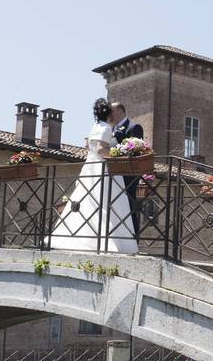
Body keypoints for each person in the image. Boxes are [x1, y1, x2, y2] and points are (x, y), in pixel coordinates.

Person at [49, 98, 138, 253]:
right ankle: (107, 241)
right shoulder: (106, 128)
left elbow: (91, 147)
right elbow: (100, 150)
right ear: (109, 114)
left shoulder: (94, 127)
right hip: (104, 168)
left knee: (90, 201)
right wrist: (117, 154)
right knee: (108, 202)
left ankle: (82, 237)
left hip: (91, 168)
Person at [110, 102, 144, 237]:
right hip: (113, 175)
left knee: (129, 206)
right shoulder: (110, 129)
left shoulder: (134, 127)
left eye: (111, 111)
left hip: (128, 176)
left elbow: (134, 151)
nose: (109, 114)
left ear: (119, 111)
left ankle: (133, 239)